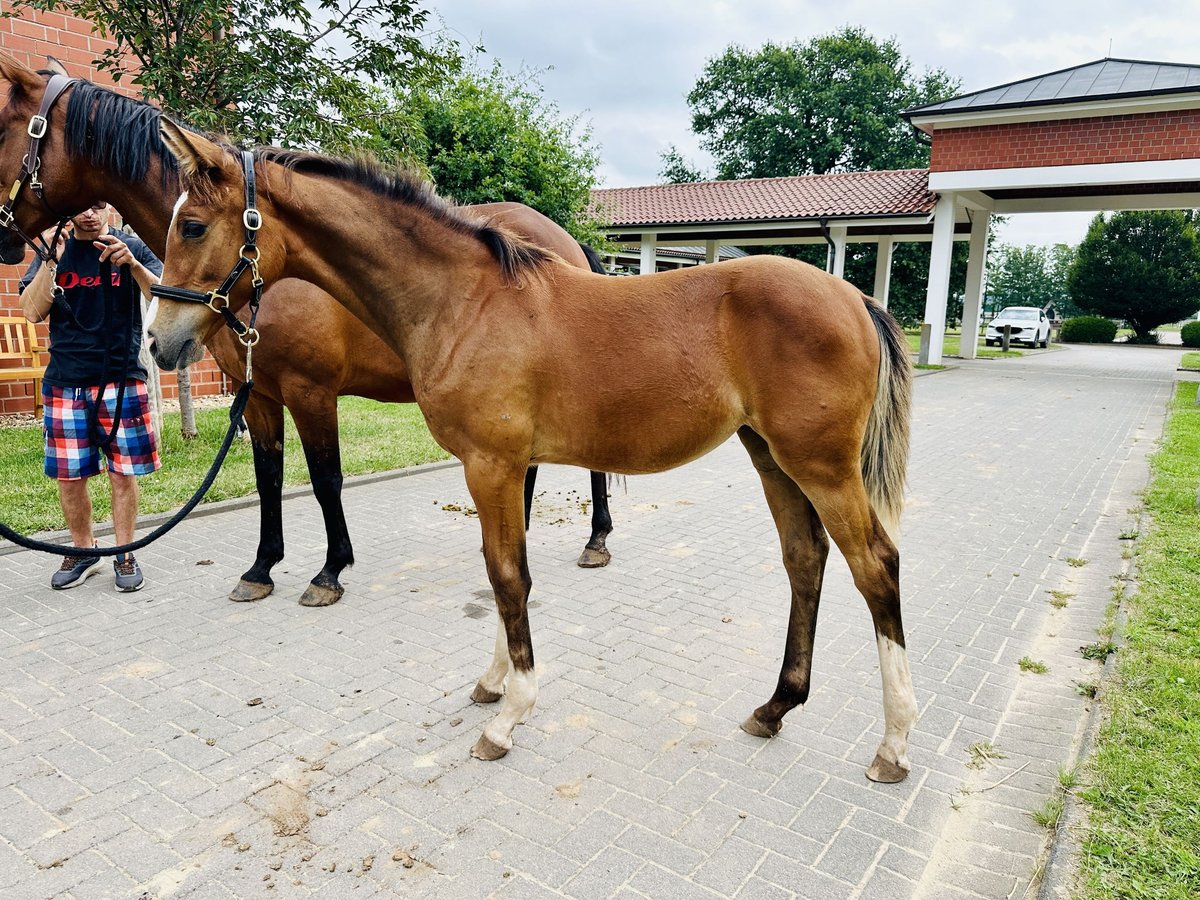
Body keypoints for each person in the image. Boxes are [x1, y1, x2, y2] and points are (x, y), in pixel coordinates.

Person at [19, 203, 163, 591]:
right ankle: (83, 551)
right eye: (81, 207)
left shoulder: (131, 245)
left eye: (97, 205)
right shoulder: (54, 250)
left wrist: (132, 264)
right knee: (70, 476)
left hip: (121, 380)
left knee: (122, 473)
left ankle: (125, 552)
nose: (89, 214)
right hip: (65, 381)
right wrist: (51, 262)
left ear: (109, 207)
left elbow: (163, 297)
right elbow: (31, 312)